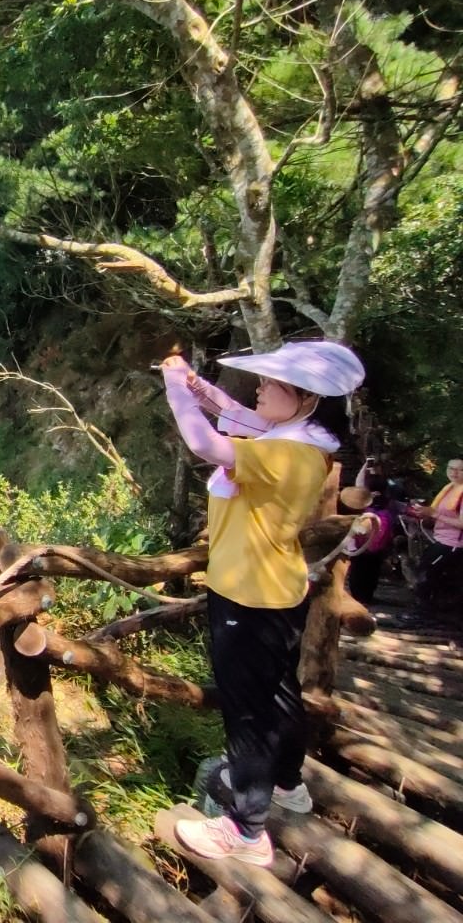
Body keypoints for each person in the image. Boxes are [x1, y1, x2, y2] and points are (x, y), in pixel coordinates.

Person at [159, 340, 365, 866]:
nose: (260, 388)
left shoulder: (285, 453)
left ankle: (247, 830)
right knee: (278, 692)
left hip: (247, 594)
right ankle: (288, 784)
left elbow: (206, 443)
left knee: (246, 708)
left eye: (272, 384)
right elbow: (239, 416)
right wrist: (200, 389)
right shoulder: (304, 441)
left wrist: (174, 390)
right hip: (277, 588)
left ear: (306, 399)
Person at [407, 458, 463, 612]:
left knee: (426, 576)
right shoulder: (450, 488)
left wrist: (435, 514)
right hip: (439, 539)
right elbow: (437, 513)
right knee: (424, 573)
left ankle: (423, 615)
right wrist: (423, 513)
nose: (454, 473)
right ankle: (423, 612)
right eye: (451, 468)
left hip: (452, 545)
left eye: (459, 470)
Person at [344, 460, 398, 608]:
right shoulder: (389, 497)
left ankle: (358, 597)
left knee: (359, 568)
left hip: (363, 539)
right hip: (380, 541)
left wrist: (365, 466)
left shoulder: (364, 498)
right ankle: (366, 597)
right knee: (372, 569)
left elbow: (358, 482)